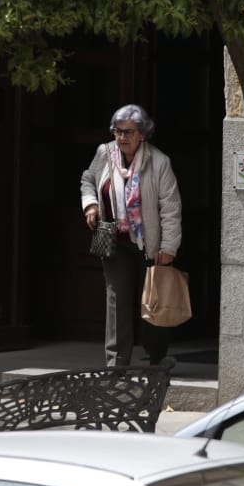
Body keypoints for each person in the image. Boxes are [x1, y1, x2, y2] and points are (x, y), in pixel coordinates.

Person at [79, 104, 181, 367]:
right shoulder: (105, 153)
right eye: (117, 131)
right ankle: (116, 363)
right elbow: (88, 179)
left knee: (151, 302)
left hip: (148, 243)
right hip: (114, 241)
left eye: (128, 132)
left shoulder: (159, 162)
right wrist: (90, 204)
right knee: (116, 302)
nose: (121, 138)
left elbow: (170, 208)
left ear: (142, 134)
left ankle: (156, 357)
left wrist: (169, 246)